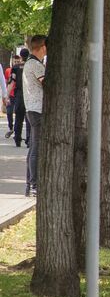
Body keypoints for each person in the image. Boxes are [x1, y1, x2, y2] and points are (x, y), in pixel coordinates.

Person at [22, 35, 45, 197]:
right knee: (36, 148)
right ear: (43, 47)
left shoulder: (29, 63)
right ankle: (34, 184)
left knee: (33, 147)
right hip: (37, 109)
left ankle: (30, 184)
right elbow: (49, 83)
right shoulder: (36, 65)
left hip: (32, 109)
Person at [11, 49, 26, 148]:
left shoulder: (16, 67)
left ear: (20, 56)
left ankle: (17, 138)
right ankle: (29, 139)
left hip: (19, 94)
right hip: (29, 94)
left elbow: (12, 81)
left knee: (18, 119)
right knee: (29, 119)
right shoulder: (30, 66)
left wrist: (7, 95)